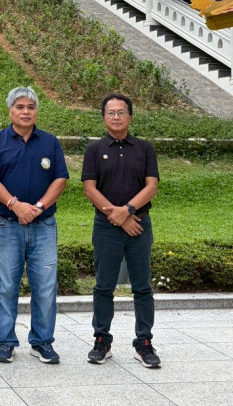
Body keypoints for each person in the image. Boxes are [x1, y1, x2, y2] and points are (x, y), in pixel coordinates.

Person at [0, 86, 68, 365]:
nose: (26, 111)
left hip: (43, 225)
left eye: (30, 107)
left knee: (45, 286)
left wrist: (38, 207)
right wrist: (15, 205)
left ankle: (42, 342)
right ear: (10, 111)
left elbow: (60, 179)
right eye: (20, 107)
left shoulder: (50, 142)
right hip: (6, 224)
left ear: (36, 111)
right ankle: (6, 341)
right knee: (6, 285)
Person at [82, 93, 161, 368]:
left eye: (121, 112)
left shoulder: (144, 148)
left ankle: (144, 342)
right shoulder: (94, 150)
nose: (116, 117)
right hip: (106, 226)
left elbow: (151, 186)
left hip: (139, 224)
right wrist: (116, 216)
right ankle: (102, 340)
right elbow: (89, 189)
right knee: (104, 286)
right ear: (103, 117)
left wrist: (126, 212)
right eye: (111, 112)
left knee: (142, 287)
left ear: (130, 116)